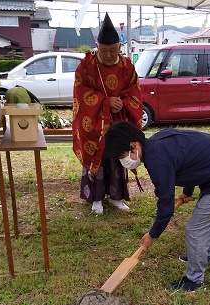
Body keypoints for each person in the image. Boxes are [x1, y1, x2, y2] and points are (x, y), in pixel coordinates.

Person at [104, 121, 210, 292]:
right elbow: (190, 162)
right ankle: (208, 254)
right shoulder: (156, 143)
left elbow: (165, 205)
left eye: (122, 156)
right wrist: (187, 191)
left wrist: (153, 234)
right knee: (204, 220)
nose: (124, 161)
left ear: (133, 145)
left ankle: (194, 281)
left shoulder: (157, 159)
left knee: (195, 230)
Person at [72, 13, 143, 215]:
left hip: (118, 121)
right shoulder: (86, 66)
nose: (109, 55)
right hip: (94, 122)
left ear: (120, 47)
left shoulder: (127, 66)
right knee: (99, 155)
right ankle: (96, 199)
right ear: (97, 47)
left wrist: (123, 102)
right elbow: (80, 92)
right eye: (104, 50)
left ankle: (116, 197)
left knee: (117, 155)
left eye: (113, 50)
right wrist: (104, 102)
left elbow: (135, 92)